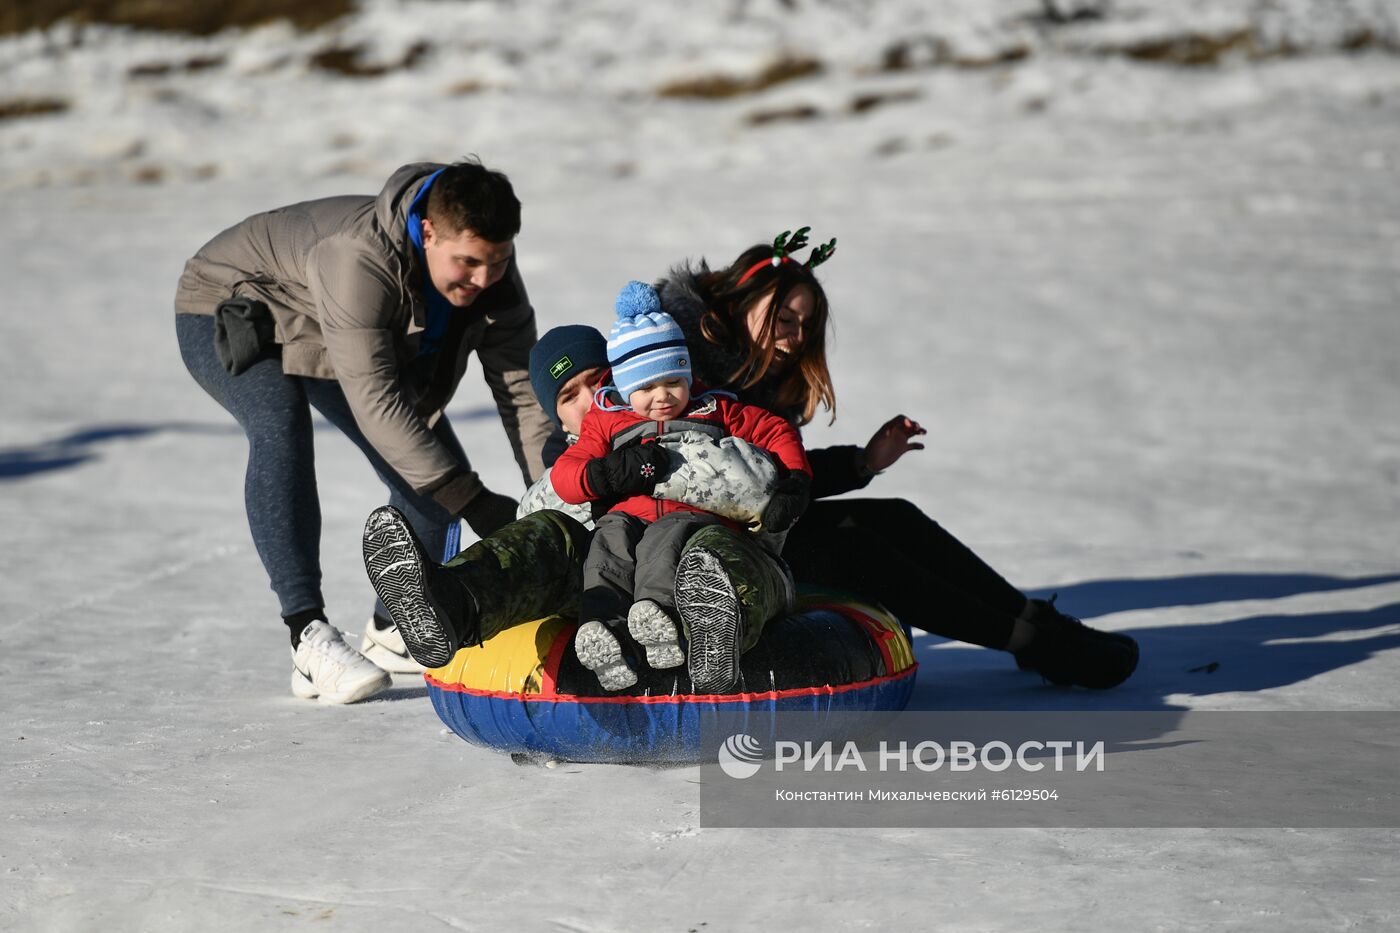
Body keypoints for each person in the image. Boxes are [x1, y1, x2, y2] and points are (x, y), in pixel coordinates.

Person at [652, 228, 1139, 689]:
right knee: (859, 552)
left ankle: (1034, 620)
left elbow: (777, 481)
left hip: (754, 529)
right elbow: (728, 481)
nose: (797, 337)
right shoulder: (682, 373)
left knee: (894, 517)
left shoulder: (752, 377)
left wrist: (863, 462)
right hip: (703, 546)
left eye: (806, 326)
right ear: (740, 300)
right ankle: (1032, 642)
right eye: (785, 319)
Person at [175, 158, 553, 704]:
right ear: (428, 232)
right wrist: (474, 501)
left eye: (497, 262)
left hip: (323, 324)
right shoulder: (359, 258)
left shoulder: (491, 274)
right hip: (228, 301)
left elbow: (522, 392)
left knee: (435, 483)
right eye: (469, 262)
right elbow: (376, 398)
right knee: (280, 424)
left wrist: (556, 493)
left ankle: (393, 631)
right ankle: (307, 636)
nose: (484, 279)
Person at [361, 324, 794, 678]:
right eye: (570, 396)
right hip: (613, 587)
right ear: (556, 415)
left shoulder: (702, 420)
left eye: (599, 382)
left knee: (708, 552)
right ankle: (451, 601)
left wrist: (657, 467)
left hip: (726, 557)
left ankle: (713, 635)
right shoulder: (569, 466)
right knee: (550, 532)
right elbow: (538, 513)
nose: (590, 402)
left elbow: (759, 486)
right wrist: (603, 478)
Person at [550, 282, 812, 692]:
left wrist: (796, 480)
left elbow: (775, 430)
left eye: (673, 381)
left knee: (665, 540)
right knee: (607, 546)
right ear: (624, 388)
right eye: (645, 388)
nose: (661, 398)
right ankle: (603, 630)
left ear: (688, 373)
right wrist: (601, 475)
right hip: (624, 512)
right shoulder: (608, 421)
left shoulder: (713, 407)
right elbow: (567, 471)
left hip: (688, 514)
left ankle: (660, 618)